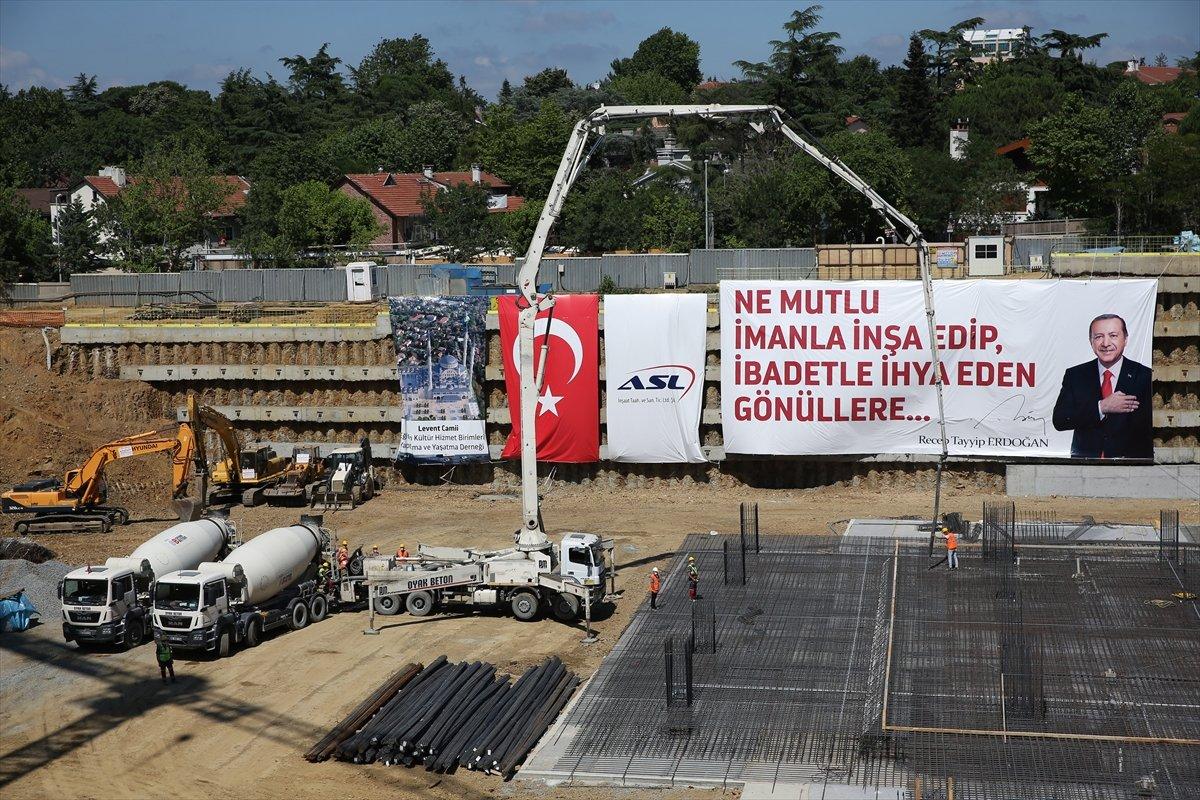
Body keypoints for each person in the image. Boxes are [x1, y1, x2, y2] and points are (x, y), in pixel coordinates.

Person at [1052, 314, 1153, 459]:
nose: (1106, 343)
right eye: (1099, 337)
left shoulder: (1145, 376)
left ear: (1125, 339)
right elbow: (1060, 420)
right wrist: (1101, 407)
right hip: (1085, 465)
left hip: (1131, 466)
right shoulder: (1076, 375)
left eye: (1113, 335)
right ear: (1091, 342)